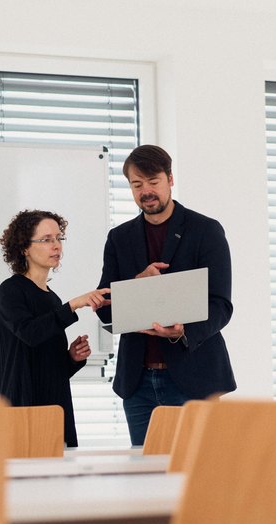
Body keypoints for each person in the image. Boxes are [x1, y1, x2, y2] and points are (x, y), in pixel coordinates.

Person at [95, 145, 236, 446]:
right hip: (138, 384)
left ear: (170, 179)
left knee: (198, 480)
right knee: (144, 484)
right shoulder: (119, 239)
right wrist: (135, 283)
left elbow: (221, 305)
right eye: (137, 184)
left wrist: (184, 330)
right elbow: (105, 310)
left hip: (193, 379)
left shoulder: (206, 231)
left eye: (153, 181)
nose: (146, 191)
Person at [0, 210, 111, 448]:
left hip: (54, 406)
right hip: (21, 406)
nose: (56, 246)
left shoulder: (53, 300)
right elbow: (30, 333)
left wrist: (72, 358)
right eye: (46, 240)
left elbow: (50, 368)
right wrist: (75, 304)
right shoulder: (10, 291)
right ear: (24, 248)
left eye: (58, 238)